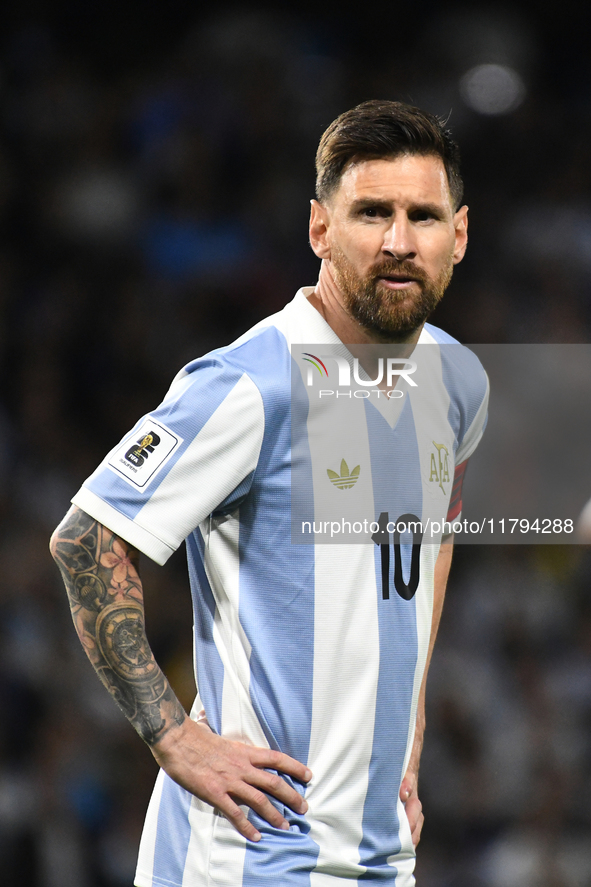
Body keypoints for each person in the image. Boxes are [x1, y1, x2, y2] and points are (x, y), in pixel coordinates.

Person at [50, 100, 489, 886]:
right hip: (248, 853)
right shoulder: (249, 383)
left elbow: (436, 530)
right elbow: (87, 536)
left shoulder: (458, 380)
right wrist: (173, 738)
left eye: (421, 215)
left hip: (383, 854)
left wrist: (410, 727)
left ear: (457, 234)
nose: (397, 240)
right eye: (371, 213)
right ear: (320, 230)